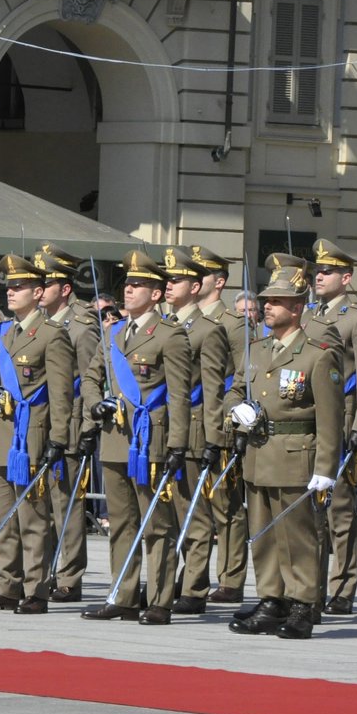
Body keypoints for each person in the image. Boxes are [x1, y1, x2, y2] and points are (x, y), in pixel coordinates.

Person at [224, 262, 344, 639]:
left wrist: (326, 467)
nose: (267, 307)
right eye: (266, 300)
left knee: (297, 535)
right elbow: (235, 390)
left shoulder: (317, 355)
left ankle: (303, 603)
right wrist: (235, 409)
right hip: (258, 452)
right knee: (262, 533)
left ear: (297, 308)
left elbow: (329, 417)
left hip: (296, 454)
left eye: (277, 301)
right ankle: (271, 598)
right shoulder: (256, 351)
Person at [78, 250, 190, 625]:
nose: (129, 290)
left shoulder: (170, 335)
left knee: (156, 524)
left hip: (150, 441)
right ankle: (123, 595)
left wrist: (177, 444)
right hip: (115, 437)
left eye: (138, 285)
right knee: (122, 523)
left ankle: (159, 599)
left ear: (156, 294)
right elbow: (92, 376)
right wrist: (96, 406)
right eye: (127, 284)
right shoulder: (113, 333)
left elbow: (178, 395)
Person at [0, 254, 75, 614]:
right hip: (0, 434)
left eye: (20, 287)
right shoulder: (1, 333)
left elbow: (61, 395)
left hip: (31, 437)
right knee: (4, 518)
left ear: (38, 292)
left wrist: (58, 439)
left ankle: (35, 589)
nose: (11, 292)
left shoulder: (52, 335)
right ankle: (6, 583)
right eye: (9, 287)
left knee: (32, 518)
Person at [305, 240, 357, 617]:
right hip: (315, 421)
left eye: (327, 272)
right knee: (312, 510)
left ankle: (343, 585)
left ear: (346, 278)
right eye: (317, 271)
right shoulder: (309, 314)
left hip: (345, 419)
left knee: (339, 510)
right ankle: (312, 587)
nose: (319, 277)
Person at [157, 248, 229, 616]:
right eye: (167, 280)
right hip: (162, 429)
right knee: (165, 515)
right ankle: (166, 582)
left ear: (195, 285)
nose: (169, 286)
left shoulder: (208, 330)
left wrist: (214, 438)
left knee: (194, 514)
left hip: (196, 430)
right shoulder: (163, 326)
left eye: (176, 280)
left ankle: (195, 587)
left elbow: (213, 388)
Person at [34, 244, 102, 601]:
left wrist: (89, 426)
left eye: (44, 283)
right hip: (38, 423)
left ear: (63, 288)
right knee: (38, 506)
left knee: (67, 505)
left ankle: (69, 578)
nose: (37, 289)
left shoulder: (81, 325)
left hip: (71, 424)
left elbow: (91, 378)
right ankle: (37, 575)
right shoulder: (37, 322)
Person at [193, 245, 251, 605]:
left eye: (199, 275)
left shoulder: (233, 322)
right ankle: (192, 574)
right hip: (187, 421)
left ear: (219, 282)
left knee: (224, 506)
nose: (191, 281)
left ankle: (230, 578)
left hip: (219, 423)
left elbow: (244, 375)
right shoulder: (182, 320)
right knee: (192, 506)